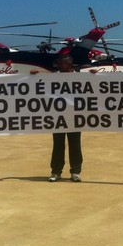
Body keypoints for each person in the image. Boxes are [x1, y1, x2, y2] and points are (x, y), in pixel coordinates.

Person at [48, 54, 83, 182]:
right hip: (58, 116)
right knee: (58, 145)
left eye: (61, 63)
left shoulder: (80, 76)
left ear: (69, 65)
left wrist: (93, 75)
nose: (59, 65)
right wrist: (34, 74)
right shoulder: (54, 76)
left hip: (75, 116)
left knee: (75, 144)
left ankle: (75, 172)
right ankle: (56, 171)